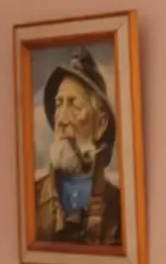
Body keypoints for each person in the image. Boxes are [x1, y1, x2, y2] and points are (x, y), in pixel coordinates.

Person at [34, 45, 122, 246]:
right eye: (59, 104)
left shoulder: (119, 206)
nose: (62, 119)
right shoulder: (32, 199)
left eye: (74, 104)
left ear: (100, 125)